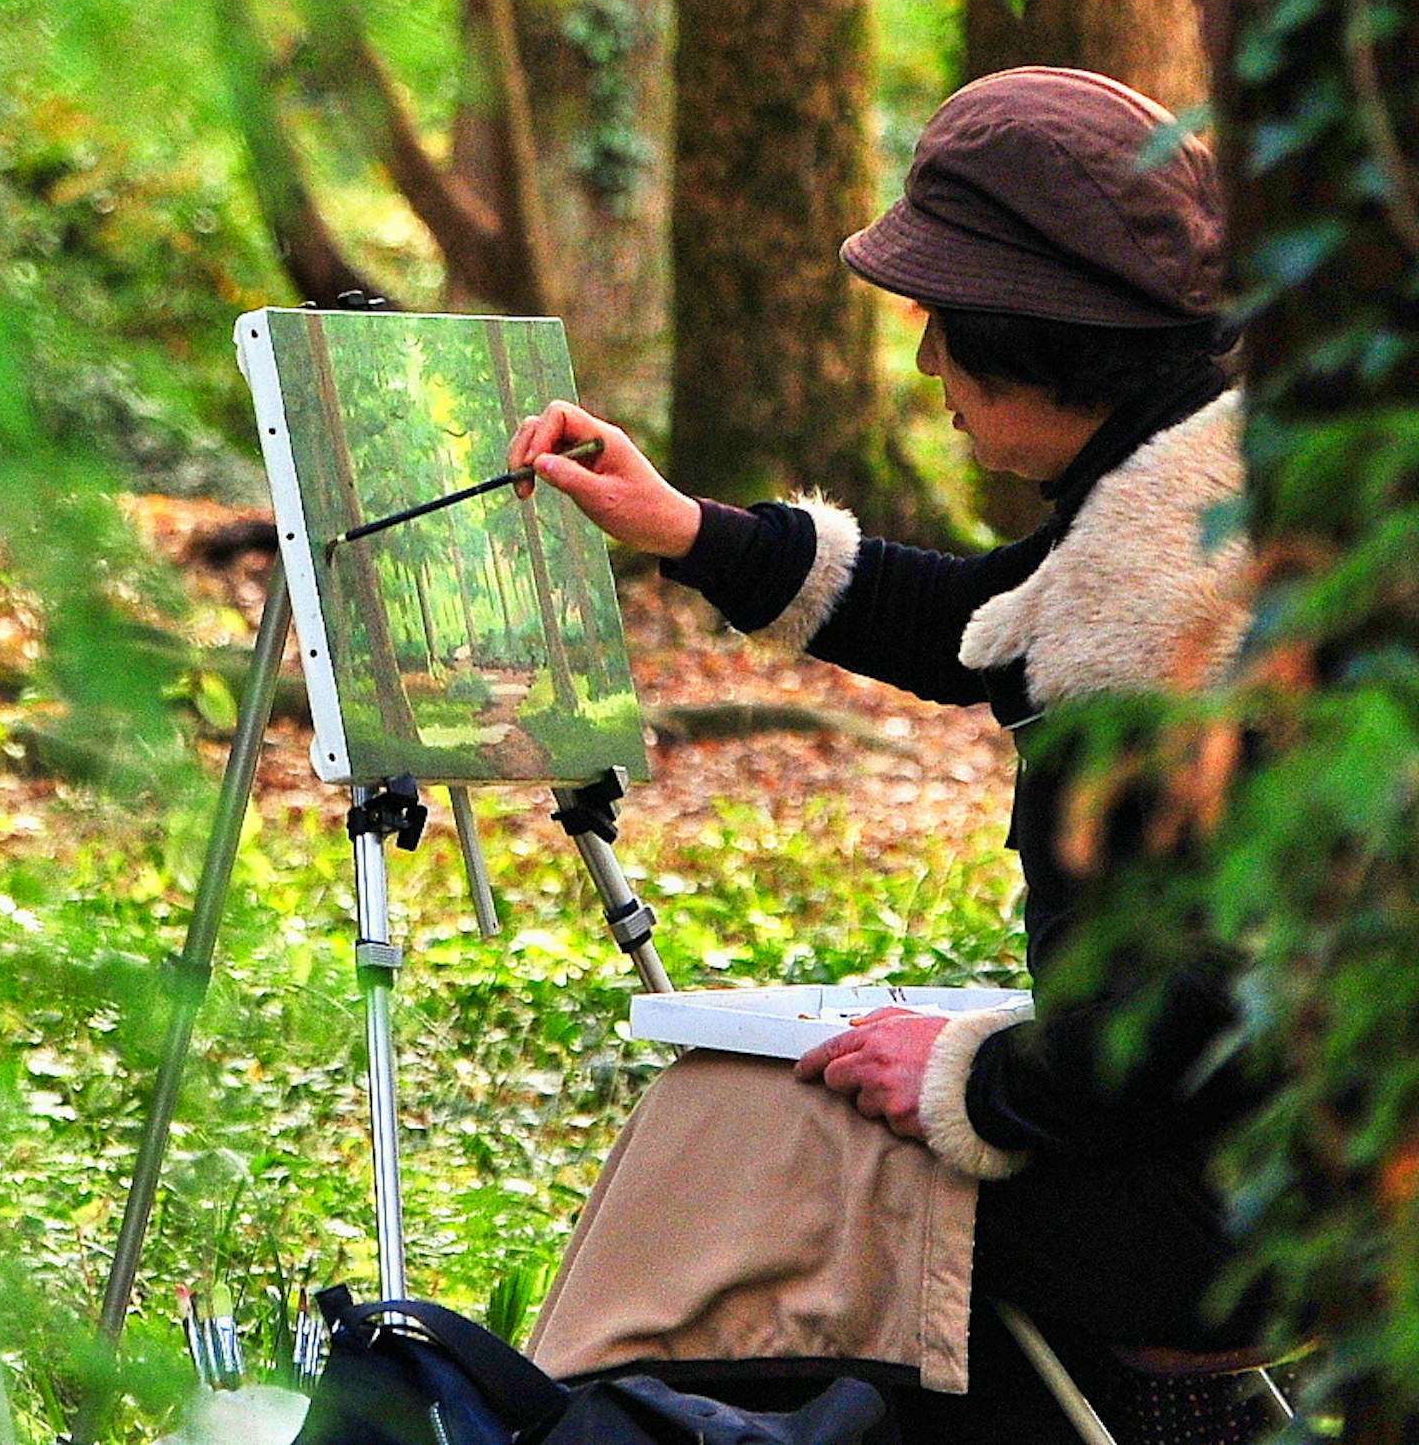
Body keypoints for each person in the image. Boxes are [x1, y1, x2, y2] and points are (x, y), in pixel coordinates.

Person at [509, 68, 1268, 1424]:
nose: (925, 371)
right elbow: (982, 618)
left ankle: (574, 1413)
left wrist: (970, 1075)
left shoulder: (1171, 620)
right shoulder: (1200, 488)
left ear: (1039, 336)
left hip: (1242, 1223)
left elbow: (1182, 1028)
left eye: (942, 330)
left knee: (778, 1135)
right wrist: (690, 528)